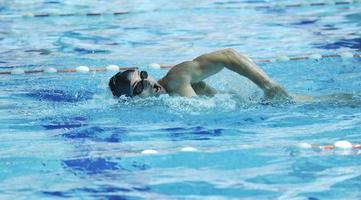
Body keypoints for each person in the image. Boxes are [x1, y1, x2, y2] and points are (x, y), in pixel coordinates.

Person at [109, 49, 290, 100]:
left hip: (269, 104)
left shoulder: (177, 77)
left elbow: (228, 55)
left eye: (144, 76)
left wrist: (268, 86)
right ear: (132, 100)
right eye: (139, 86)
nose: (147, 82)